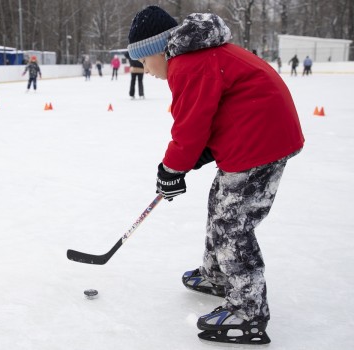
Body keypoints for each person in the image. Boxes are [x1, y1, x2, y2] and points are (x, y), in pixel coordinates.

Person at [127, 6, 304, 345]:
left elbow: (190, 126)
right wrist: (195, 157)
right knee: (221, 206)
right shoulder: (199, 55)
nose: (144, 69)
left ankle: (248, 312)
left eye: (143, 61)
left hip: (261, 142)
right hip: (256, 135)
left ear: (156, 50)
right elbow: (217, 108)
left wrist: (171, 169)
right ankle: (218, 274)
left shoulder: (187, 64)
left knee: (232, 223)